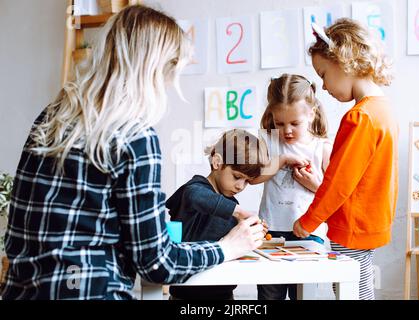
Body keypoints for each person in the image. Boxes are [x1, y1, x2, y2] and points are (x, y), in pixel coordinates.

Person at [1, 5, 264, 300]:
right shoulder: (136, 136)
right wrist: (226, 248)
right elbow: (156, 265)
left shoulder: (52, 116)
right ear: (154, 70)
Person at [293, 18, 398, 300]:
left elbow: (339, 181)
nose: (324, 87)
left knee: (352, 292)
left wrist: (308, 221)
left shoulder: (360, 117)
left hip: (352, 226)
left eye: (324, 74)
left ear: (344, 62)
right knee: (361, 287)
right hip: (371, 222)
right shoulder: (383, 109)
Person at [251, 74, 332, 300]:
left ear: (311, 114)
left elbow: (334, 196)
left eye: (295, 123)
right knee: (269, 296)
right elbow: (253, 178)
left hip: (309, 234)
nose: (287, 130)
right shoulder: (268, 141)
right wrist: (282, 161)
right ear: (272, 117)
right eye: (280, 123)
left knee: (303, 296)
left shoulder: (321, 148)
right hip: (270, 230)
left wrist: (314, 184)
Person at [167, 129, 268, 300]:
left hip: (223, 293)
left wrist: (251, 230)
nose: (240, 186)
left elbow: (232, 241)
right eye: (237, 177)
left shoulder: (231, 204)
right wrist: (239, 212)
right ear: (217, 162)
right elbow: (195, 196)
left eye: (247, 181)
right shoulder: (195, 189)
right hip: (186, 294)